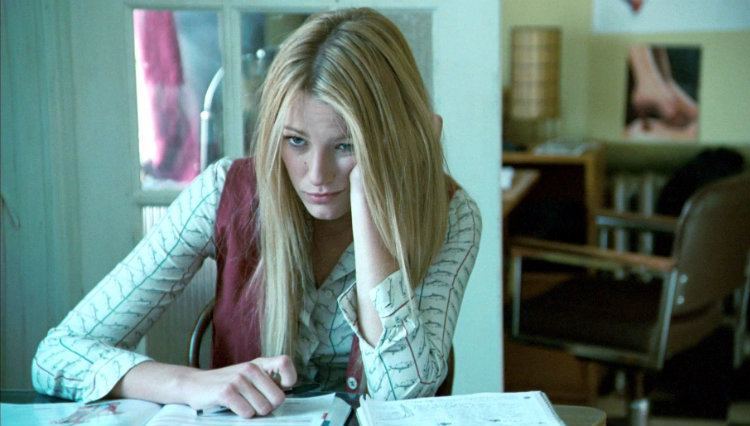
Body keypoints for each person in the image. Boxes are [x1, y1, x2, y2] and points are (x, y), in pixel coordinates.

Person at [32, 7, 482, 418]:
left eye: (345, 146)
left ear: (390, 139)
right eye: (296, 141)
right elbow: (58, 355)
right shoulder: (222, 193)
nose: (317, 176)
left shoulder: (451, 213)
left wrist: (373, 190)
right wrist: (191, 383)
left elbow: (402, 399)